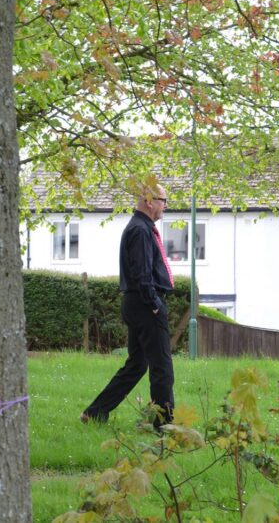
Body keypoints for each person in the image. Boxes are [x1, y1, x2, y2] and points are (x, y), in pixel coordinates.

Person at [80, 183, 175, 429]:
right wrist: (155, 304)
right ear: (149, 201)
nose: (166, 205)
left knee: (136, 365)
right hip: (145, 305)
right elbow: (142, 275)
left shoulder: (141, 228)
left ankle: (95, 412)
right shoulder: (141, 231)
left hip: (136, 304)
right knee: (162, 367)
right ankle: (164, 425)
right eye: (164, 200)